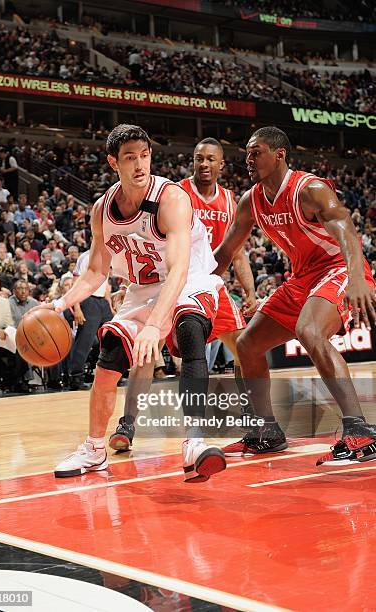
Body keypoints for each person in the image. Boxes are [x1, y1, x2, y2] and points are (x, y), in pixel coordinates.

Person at [35, 123, 226, 482]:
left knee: (187, 327)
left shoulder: (171, 200)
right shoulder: (102, 210)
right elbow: (95, 272)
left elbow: (179, 269)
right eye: (130, 158)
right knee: (108, 362)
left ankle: (195, 442)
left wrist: (155, 325)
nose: (140, 165)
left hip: (189, 279)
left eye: (145, 155)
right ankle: (94, 450)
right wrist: (58, 306)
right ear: (113, 162)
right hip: (141, 288)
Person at [214, 126, 376, 465]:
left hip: (341, 268)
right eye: (247, 152)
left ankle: (360, 432)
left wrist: (358, 277)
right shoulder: (251, 200)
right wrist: (187, 284)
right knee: (247, 345)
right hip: (303, 278)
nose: (248, 158)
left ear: (279, 154)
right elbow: (226, 251)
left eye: (256, 151)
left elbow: (345, 225)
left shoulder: (310, 188)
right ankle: (267, 432)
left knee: (309, 331)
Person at [109, 137, 256, 452]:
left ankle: (250, 412)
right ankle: (128, 423)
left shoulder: (230, 201)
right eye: (198, 158)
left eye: (210, 159)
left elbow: (239, 254)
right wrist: (128, 287)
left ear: (221, 164)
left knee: (244, 345)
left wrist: (250, 293)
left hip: (208, 283)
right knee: (148, 348)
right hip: (168, 280)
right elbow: (140, 241)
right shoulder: (174, 192)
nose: (203, 164)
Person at [67, 249, 113, 390]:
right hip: (88, 301)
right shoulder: (86, 257)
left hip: (102, 303)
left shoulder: (109, 256)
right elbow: (75, 283)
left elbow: (105, 285)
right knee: (84, 341)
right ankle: (76, 377)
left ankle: (110, 375)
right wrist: (77, 308)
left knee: (112, 337)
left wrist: (110, 306)